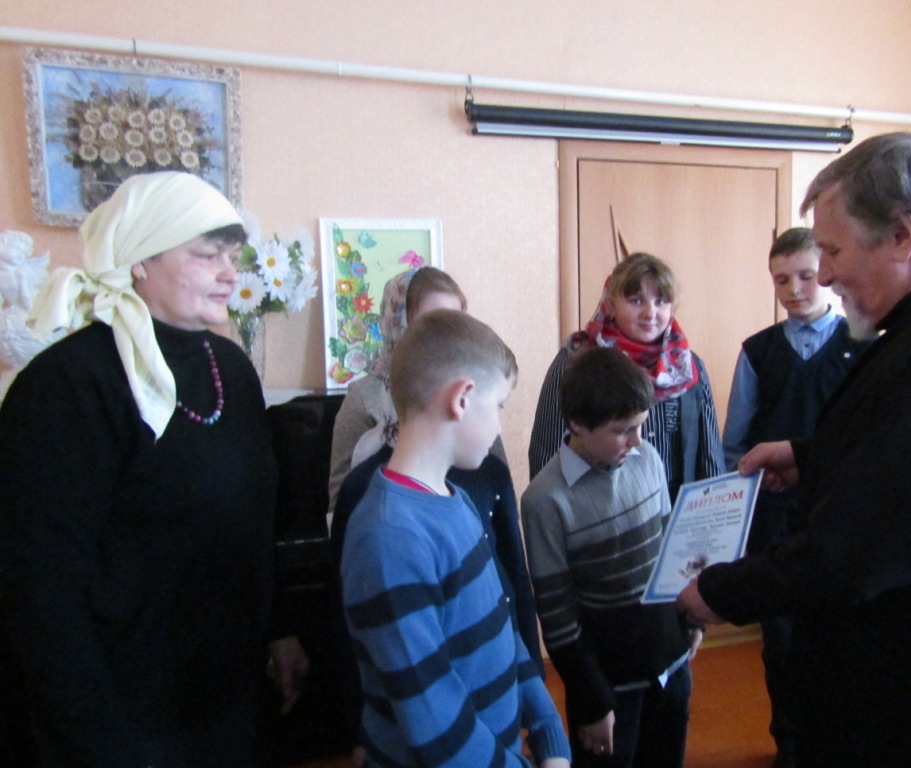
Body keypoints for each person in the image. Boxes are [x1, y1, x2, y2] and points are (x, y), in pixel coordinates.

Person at [676, 132, 911, 767]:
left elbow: (857, 552)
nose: (827, 274)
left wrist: (722, 591)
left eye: (833, 251)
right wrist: (812, 454)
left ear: (903, 235)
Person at [0, 171, 289, 766]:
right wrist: (100, 739)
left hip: (226, 698)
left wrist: (279, 629)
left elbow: (255, 522)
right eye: (207, 255)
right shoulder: (67, 385)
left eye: (231, 256)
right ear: (139, 260)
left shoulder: (231, 369)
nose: (230, 274)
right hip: (124, 716)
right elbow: (40, 588)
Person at [325, 269, 541, 764]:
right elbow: (437, 727)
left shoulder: (457, 498)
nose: (500, 425)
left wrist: (546, 725)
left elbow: (501, 622)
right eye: (500, 406)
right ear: (462, 398)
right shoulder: (386, 538)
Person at [719, 226, 870, 767]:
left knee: (842, 635)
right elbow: (735, 443)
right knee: (781, 639)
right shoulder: (757, 352)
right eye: (781, 279)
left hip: (842, 514)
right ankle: (788, 742)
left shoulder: (864, 345)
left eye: (806, 276)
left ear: (825, 273)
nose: (795, 289)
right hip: (776, 518)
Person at [522, 346, 701, 767]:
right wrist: (592, 702)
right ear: (577, 423)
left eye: (640, 425)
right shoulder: (544, 501)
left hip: (671, 667)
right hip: (608, 689)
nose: (636, 440)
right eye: (622, 430)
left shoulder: (648, 459)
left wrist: (691, 618)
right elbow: (559, 619)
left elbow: (672, 554)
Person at [528, 252, 724, 502]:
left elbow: (709, 456)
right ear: (611, 304)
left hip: (675, 512)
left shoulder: (686, 367)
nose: (650, 313)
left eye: (661, 301)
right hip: (597, 510)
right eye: (636, 300)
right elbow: (547, 451)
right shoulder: (576, 360)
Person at [327, 266, 468, 504]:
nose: (445, 335)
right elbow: (339, 501)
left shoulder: (469, 392)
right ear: (397, 323)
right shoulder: (363, 397)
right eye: (431, 322)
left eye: (454, 322)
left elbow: (497, 485)